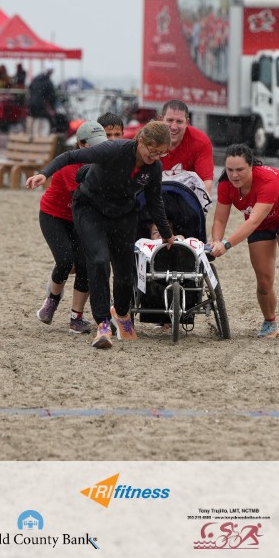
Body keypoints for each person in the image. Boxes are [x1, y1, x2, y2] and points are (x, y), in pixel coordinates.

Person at [26, 121, 175, 350]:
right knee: (99, 260)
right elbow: (69, 157)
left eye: (161, 153)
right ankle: (102, 323)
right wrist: (43, 174)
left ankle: (122, 313)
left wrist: (166, 234)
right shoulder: (114, 150)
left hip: (123, 212)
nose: (155, 157)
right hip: (90, 207)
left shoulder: (154, 168)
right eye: (152, 150)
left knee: (125, 270)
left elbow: (155, 202)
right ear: (141, 141)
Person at [209, 143, 279, 339]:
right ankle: (270, 322)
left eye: (240, 170)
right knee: (264, 281)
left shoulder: (267, 181)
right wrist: (216, 240)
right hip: (261, 225)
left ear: (251, 166)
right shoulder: (225, 185)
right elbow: (220, 219)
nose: (234, 175)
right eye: (230, 170)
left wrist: (226, 245)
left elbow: (253, 221)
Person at [35, 121, 109, 335]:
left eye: (101, 144)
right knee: (65, 259)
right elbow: (85, 197)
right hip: (54, 215)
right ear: (80, 144)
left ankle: (76, 317)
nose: (98, 150)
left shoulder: (103, 162)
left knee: (86, 264)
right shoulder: (71, 166)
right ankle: (52, 299)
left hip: (81, 218)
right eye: (93, 145)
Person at [158, 100, 215, 195]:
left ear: (187, 122)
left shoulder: (201, 142)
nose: (174, 127)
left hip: (185, 197)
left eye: (179, 121)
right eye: (170, 120)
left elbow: (206, 186)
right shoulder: (148, 139)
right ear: (161, 120)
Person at [28, 65, 58, 137]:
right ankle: (43, 137)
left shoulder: (36, 79)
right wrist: (52, 108)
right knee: (45, 121)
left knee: (34, 119)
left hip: (32, 103)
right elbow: (51, 97)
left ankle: (32, 135)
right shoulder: (48, 82)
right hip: (41, 104)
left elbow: (30, 87)